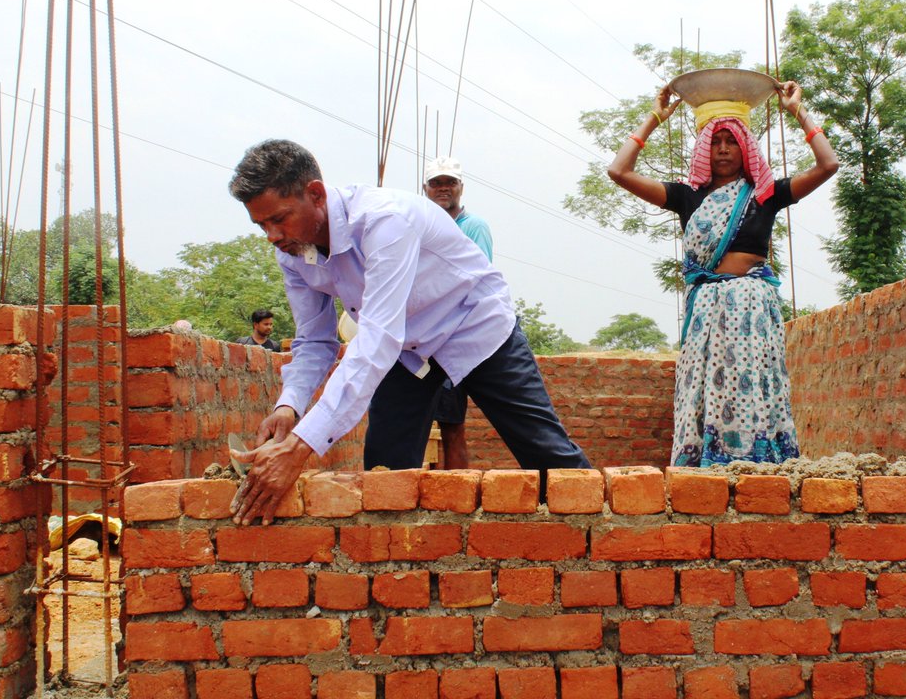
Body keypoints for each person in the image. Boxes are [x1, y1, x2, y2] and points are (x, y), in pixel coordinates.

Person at [226, 139, 590, 525]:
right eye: (261, 224)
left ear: (315, 193)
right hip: (408, 349)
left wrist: (300, 447)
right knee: (385, 472)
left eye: (279, 219)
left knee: (547, 455)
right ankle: (396, 570)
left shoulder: (385, 220)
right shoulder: (293, 252)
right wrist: (290, 405)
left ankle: (599, 535)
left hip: (474, 328)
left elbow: (376, 338)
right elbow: (315, 340)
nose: (272, 235)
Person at [607, 79, 838, 467]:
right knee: (704, 390)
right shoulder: (687, 197)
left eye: (732, 141)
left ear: (745, 146)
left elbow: (828, 164)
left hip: (754, 308)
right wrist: (654, 118)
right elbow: (619, 171)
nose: (724, 149)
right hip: (708, 311)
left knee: (755, 389)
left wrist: (798, 111)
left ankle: (761, 464)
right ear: (703, 148)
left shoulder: (765, 194)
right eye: (715, 141)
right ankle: (706, 466)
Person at [422, 155, 492, 470]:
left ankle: (456, 500)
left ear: (461, 187)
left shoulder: (473, 227)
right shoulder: (419, 226)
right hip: (420, 341)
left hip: (453, 338)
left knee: (452, 426)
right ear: (426, 189)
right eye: (437, 183)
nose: (443, 188)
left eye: (449, 182)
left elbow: (475, 281)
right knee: (414, 425)